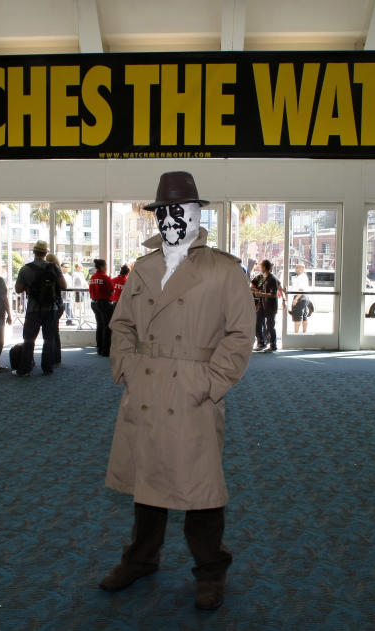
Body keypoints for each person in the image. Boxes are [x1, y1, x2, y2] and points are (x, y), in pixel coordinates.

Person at [100, 171, 255, 611]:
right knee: (147, 482)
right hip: (146, 386)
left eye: (180, 211)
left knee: (200, 490)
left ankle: (211, 569)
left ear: (197, 213)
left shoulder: (223, 271)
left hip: (192, 393)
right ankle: (141, 559)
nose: (171, 220)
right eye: (163, 212)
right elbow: (123, 325)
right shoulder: (144, 269)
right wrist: (127, 368)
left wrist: (208, 384)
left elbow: (241, 336)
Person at [14, 240, 67, 376]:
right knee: (49, 339)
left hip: (33, 309)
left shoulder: (25, 269)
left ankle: (25, 368)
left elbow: (18, 289)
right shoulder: (54, 267)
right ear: (46, 253)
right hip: (51, 308)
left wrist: (29, 286)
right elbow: (64, 286)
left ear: (34, 252)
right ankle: (47, 368)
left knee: (29, 339)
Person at [251, 260, 280, 352]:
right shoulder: (263, 277)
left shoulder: (272, 279)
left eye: (261, 266)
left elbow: (273, 294)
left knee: (270, 326)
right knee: (258, 323)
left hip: (270, 306)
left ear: (264, 267)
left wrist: (261, 294)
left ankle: (273, 345)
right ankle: (261, 342)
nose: (260, 268)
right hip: (263, 305)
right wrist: (259, 292)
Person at [89, 258, 115, 356]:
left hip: (94, 303)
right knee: (107, 327)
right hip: (104, 303)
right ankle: (105, 350)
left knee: (99, 326)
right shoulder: (105, 277)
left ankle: (99, 348)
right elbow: (112, 291)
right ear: (103, 266)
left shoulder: (93, 277)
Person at [45, 254, 65, 366]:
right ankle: (56, 357)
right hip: (58, 303)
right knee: (54, 331)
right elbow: (64, 286)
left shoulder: (43, 271)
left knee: (49, 332)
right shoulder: (57, 271)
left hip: (47, 304)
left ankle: (50, 357)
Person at [288, 264, 311, 333]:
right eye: (296, 267)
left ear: (302, 269)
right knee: (304, 316)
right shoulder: (302, 276)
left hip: (300, 297)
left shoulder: (301, 277)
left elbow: (301, 289)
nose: (296, 269)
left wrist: (296, 299)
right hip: (304, 297)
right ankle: (304, 333)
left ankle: (296, 334)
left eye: (297, 268)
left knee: (298, 317)